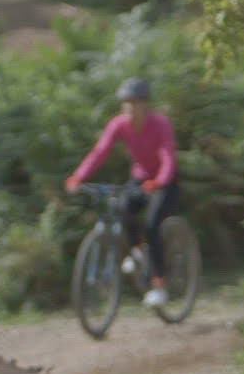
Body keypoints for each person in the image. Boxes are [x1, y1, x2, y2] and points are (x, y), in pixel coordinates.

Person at [65, 77, 179, 308]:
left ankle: (159, 284)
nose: (130, 107)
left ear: (145, 104)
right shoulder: (119, 124)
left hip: (165, 181)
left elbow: (168, 156)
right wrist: (79, 176)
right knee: (122, 208)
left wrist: (159, 181)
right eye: (126, 102)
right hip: (141, 178)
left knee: (153, 225)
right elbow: (100, 152)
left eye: (135, 102)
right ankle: (138, 253)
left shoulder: (160, 123)